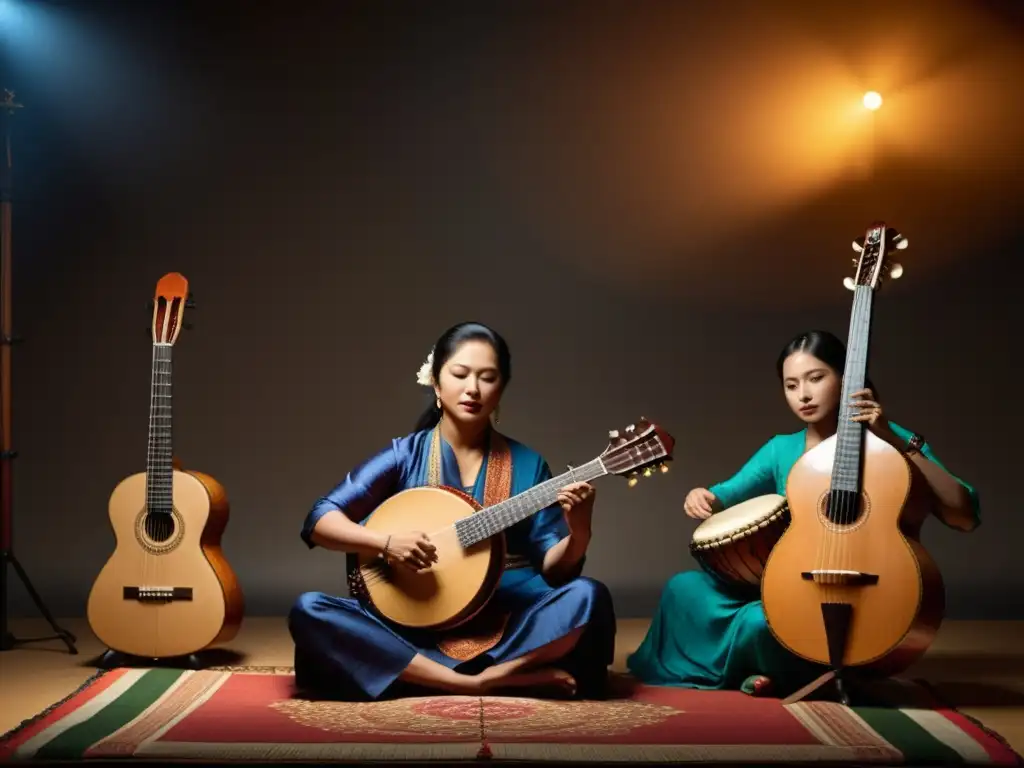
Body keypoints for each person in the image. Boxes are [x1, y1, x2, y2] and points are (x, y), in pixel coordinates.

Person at [627, 329, 980, 698]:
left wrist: (893, 437)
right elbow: (724, 494)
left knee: (760, 623)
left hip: (867, 589)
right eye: (791, 385)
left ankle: (766, 669)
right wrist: (702, 497)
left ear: (848, 378)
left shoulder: (888, 439)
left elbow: (963, 515)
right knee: (682, 589)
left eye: (816, 378)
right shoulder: (783, 448)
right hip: (790, 583)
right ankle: (763, 672)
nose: (804, 395)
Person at [289, 321, 616, 701]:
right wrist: (386, 543)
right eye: (459, 374)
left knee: (589, 595)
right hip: (413, 618)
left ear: (501, 390)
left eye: (487, 378)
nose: (472, 389)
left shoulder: (529, 464)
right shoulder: (404, 455)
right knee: (310, 609)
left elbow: (556, 570)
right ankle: (480, 682)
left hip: (508, 616)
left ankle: (424, 673)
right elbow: (320, 519)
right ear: (436, 383)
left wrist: (580, 532)